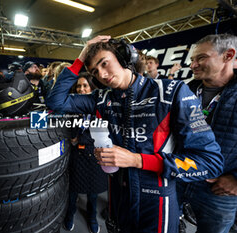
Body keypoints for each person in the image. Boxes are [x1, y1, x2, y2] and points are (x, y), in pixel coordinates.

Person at [46, 35, 224, 233]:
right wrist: (80, 58)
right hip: (118, 197)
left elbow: (211, 162)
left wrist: (137, 160)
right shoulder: (100, 98)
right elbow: (56, 102)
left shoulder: (171, 91)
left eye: (105, 63)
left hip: (157, 200)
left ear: (124, 58)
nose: (103, 75)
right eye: (95, 71)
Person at [177, 34, 237, 233]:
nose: (193, 65)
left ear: (228, 56)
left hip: (220, 191)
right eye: (192, 60)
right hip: (179, 179)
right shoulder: (184, 91)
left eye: (201, 58)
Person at [64, 72, 108, 233]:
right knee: (72, 192)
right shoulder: (72, 107)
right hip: (76, 156)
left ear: (92, 87)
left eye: (85, 86)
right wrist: (75, 138)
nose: (81, 89)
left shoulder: (100, 107)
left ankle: (92, 218)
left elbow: (102, 135)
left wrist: (79, 139)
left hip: (94, 156)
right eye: (79, 86)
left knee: (93, 194)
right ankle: (69, 215)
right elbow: (68, 131)